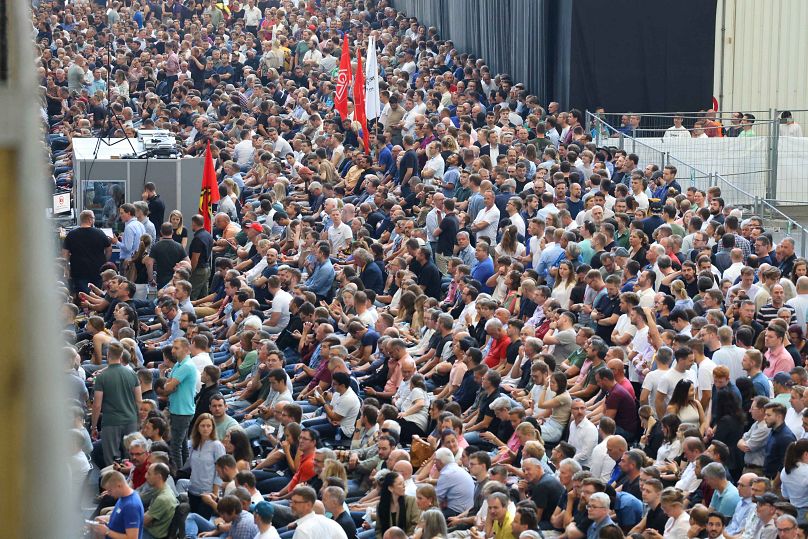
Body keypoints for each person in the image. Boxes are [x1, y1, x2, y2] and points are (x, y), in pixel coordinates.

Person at [92, 340, 142, 466]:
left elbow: (97, 405)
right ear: (121, 355)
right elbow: (139, 400)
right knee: (131, 457)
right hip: (131, 419)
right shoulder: (132, 374)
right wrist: (139, 420)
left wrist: (93, 426)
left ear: (108, 354)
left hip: (111, 422)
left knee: (111, 460)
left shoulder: (102, 377)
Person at [62, 209, 112, 295]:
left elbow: (65, 253)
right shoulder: (100, 233)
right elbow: (109, 249)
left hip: (78, 270)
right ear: (90, 219)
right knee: (97, 294)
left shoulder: (71, 234)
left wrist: (66, 268)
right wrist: (105, 261)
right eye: (93, 218)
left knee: (82, 295)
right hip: (97, 270)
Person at [89, 471, 144, 538]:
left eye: (110, 490)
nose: (108, 493)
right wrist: (107, 523)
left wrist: (107, 531)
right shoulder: (123, 496)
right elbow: (121, 518)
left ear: (119, 486)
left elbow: (132, 538)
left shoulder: (131, 507)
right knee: (97, 520)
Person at [376, 471, 420, 539]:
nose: (404, 486)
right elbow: (379, 530)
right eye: (400, 484)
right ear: (390, 488)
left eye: (403, 483)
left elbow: (415, 525)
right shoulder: (380, 505)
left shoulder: (411, 501)